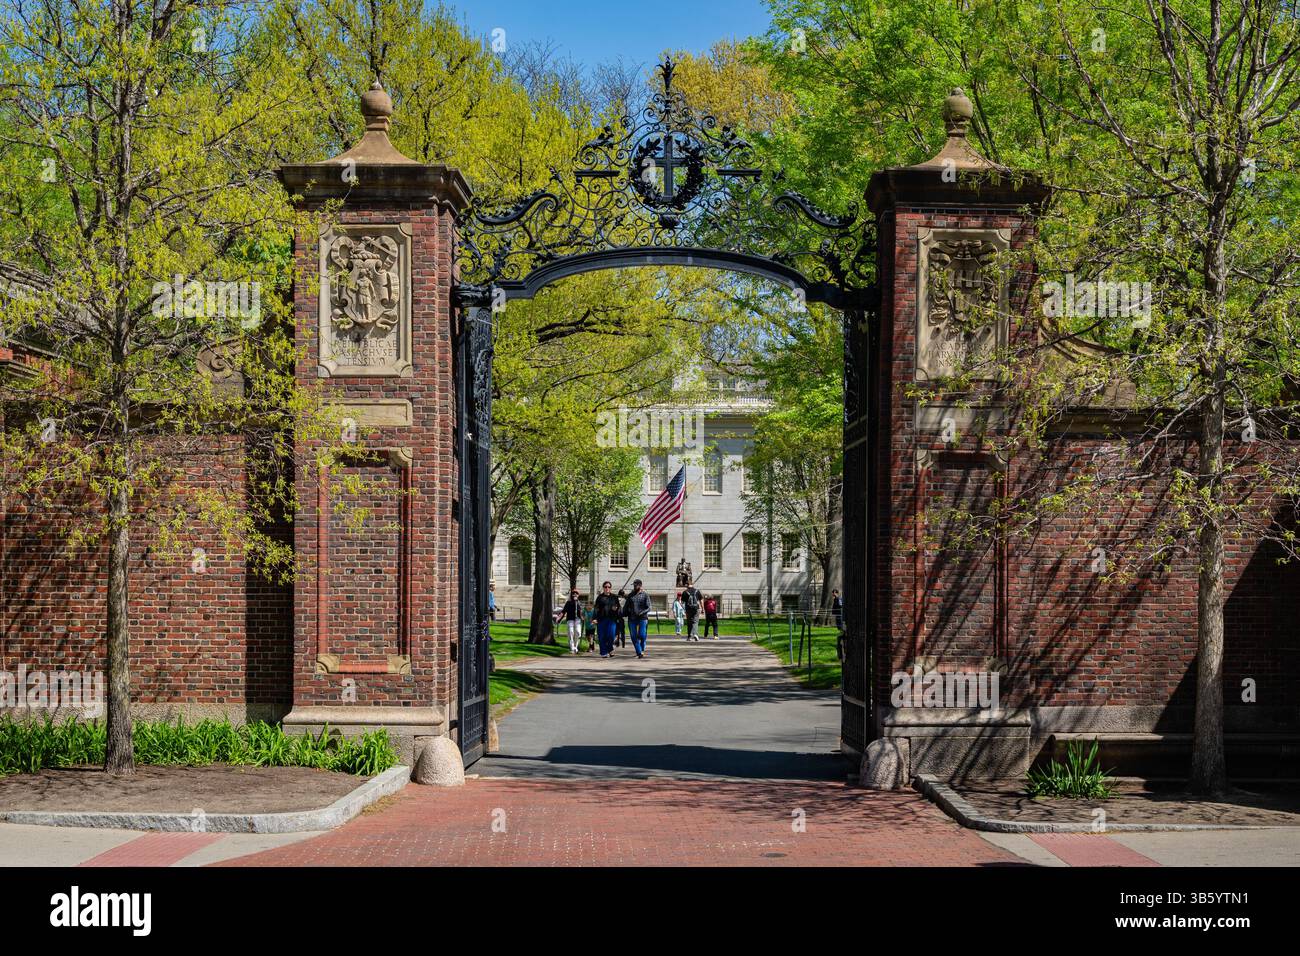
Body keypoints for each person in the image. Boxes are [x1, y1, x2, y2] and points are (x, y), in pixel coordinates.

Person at [623, 579, 652, 658]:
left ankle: (642, 649)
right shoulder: (630, 595)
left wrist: (641, 612)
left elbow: (649, 607)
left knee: (642, 635)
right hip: (632, 618)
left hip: (642, 618)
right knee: (633, 636)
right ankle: (639, 652)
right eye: (634, 585)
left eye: (636, 585)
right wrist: (623, 613)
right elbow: (626, 606)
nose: (635, 586)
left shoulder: (645, 595)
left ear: (640, 585)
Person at [594, 581, 621, 658]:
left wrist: (615, 608)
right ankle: (604, 652)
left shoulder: (614, 597)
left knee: (611, 636)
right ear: (603, 588)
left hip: (612, 619)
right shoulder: (599, 597)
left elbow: (618, 607)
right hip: (601, 619)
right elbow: (596, 609)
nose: (607, 588)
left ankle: (610, 648)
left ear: (610, 588)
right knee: (602, 637)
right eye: (605, 587)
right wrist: (594, 618)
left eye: (608, 587)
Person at [556, 589, 584, 654]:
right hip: (570, 619)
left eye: (576, 593)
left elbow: (581, 612)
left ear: (578, 595)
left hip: (578, 619)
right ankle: (572, 648)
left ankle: (575, 646)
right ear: (571, 594)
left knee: (578, 632)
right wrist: (559, 618)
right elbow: (563, 611)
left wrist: (583, 617)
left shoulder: (579, 602)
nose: (575, 594)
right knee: (571, 632)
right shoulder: (568, 602)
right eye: (573, 593)